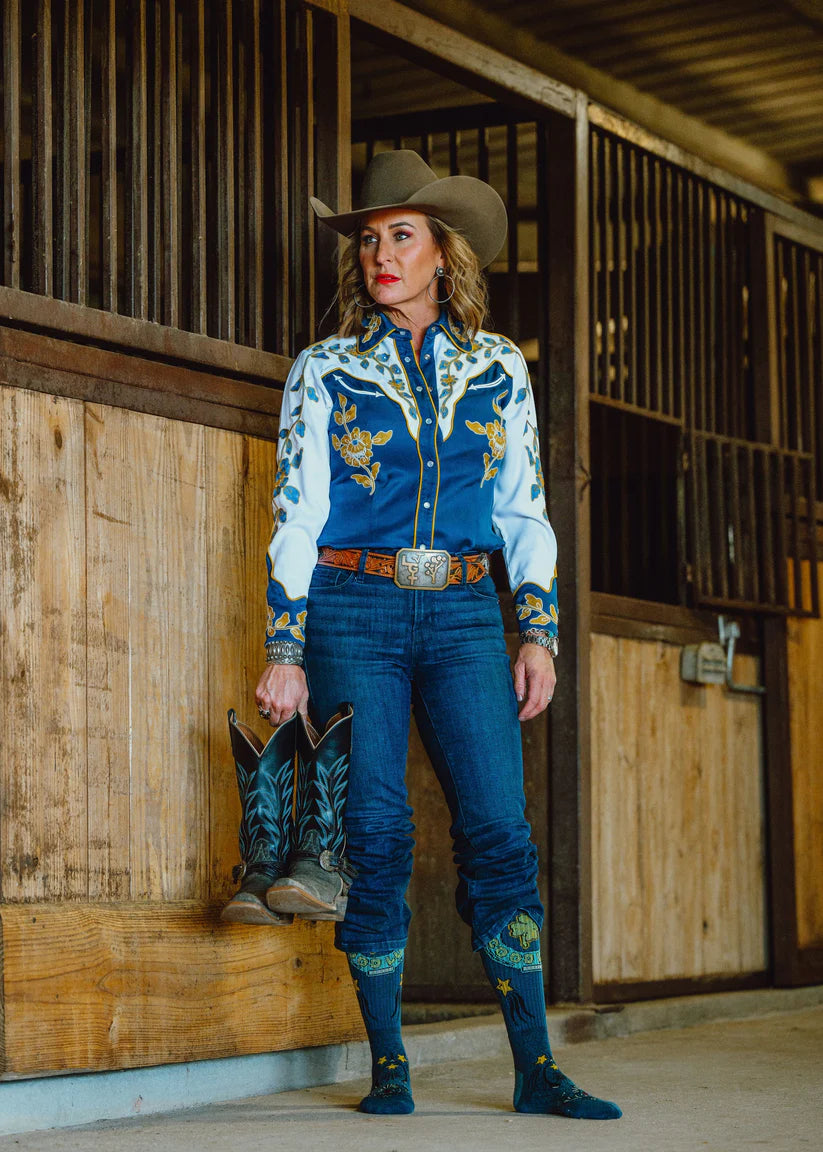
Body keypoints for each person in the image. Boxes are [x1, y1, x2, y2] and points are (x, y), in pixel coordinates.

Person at [255, 150, 621, 1121]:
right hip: (352, 610)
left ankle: (536, 1068)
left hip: (464, 611)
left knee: (500, 828)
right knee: (373, 835)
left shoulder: (500, 367)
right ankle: (389, 1064)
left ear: (440, 251)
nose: (381, 253)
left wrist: (534, 630)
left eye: (399, 236)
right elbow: (299, 510)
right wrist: (284, 648)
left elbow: (524, 511)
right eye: (369, 238)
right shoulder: (323, 371)